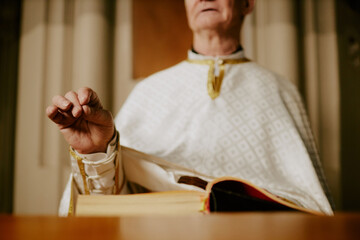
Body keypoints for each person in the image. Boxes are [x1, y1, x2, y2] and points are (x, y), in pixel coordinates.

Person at [47, 0, 333, 216]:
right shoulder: (149, 91)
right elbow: (112, 204)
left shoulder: (280, 90)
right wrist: (98, 152)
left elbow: (311, 204)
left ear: (247, 3)